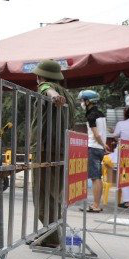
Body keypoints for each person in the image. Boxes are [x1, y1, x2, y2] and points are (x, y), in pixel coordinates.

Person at [31, 60, 77, 247]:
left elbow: (46, 90)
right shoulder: (70, 96)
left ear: (40, 76)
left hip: (45, 148)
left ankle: (51, 237)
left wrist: (53, 95)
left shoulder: (46, 87)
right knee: (54, 194)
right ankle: (53, 233)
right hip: (61, 149)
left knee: (42, 194)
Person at [78, 90, 109, 212]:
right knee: (97, 177)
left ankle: (95, 205)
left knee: (95, 178)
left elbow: (96, 134)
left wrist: (104, 145)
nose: (81, 103)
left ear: (88, 101)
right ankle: (96, 204)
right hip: (99, 149)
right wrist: (103, 146)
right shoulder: (101, 114)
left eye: (82, 100)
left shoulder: (90, 115)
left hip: (94, 147)